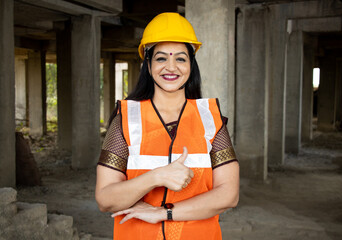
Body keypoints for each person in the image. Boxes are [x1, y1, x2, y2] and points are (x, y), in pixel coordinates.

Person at [95, 12, 239, 240]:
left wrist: (163, 213)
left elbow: (228, 195)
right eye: (161, 58)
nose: (171, 67)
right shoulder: (126, 119)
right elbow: (106, 199)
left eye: (180, 58)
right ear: (148, 63)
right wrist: (156, 177)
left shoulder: (210, 118)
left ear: (191, 64)